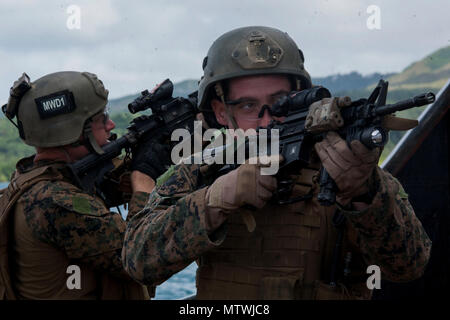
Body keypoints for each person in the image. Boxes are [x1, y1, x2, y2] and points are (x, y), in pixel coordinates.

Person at [122, 26, 432, 299]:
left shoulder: (345, 165)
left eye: (281, 102)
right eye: (248, 105)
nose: (268, 119)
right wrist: (214, 201)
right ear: (220, 112)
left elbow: (408, 266)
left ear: (303, 97)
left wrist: (363, 196)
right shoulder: (204, 170)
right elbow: (138, 262)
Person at [0, 71, 156, 299]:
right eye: (101, 118)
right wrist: (143, 188)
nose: (111, 124)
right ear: (73, 132)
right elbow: (146, 257)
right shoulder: (56, 201)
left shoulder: (30, 183)